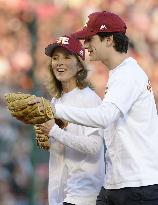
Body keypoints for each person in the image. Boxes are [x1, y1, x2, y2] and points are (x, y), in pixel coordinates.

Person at [43, 11, 158, 205]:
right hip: (117, 184)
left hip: (137, 187)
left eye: (90, 38)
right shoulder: (120, 73)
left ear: (109, 40)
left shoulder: (128, 74)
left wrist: (54, 113)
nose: (86, 44)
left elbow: (104, 118)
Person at [35, 35, 105, 205]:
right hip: (62, 194)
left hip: (84, 196)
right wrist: (46, 137)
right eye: (55, 58)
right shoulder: (56, 100)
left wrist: (54, 131)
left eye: (67, 57)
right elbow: (62, 145)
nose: (60, 62)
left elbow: (94, 146)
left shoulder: (89, 99)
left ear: (79, 65)